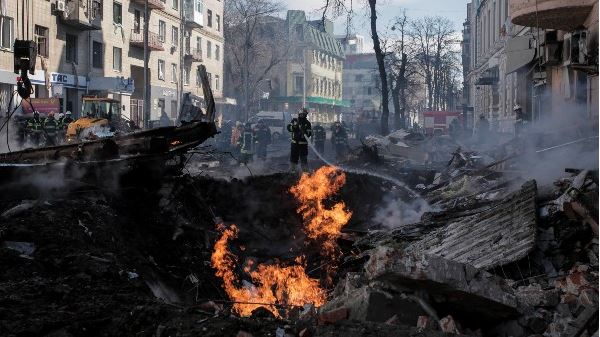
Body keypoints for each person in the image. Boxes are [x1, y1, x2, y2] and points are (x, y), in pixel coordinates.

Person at [286, 108, 312, 173]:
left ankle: (305, 172)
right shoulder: (294, 121)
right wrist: (294, 126)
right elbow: (289, 128)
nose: (302, 115)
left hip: (303, 145)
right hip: (295, 144)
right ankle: (292, 171)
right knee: (293, 158)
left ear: (306, 115)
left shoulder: (307, 123)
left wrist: (305, 132)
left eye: (303, 114)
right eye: (301, 114)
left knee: (303, 158)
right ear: (299, 114)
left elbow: (309, 133)